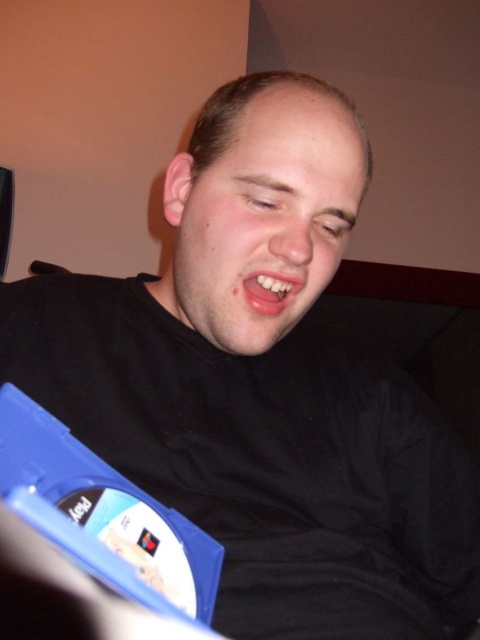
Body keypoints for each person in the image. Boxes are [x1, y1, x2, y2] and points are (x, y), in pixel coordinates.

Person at [1, 71, 480, 640]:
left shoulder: (371, 390)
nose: (300, 249)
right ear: (181, 190)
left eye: (330, 226)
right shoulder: (34, 322)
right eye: (266, 200)